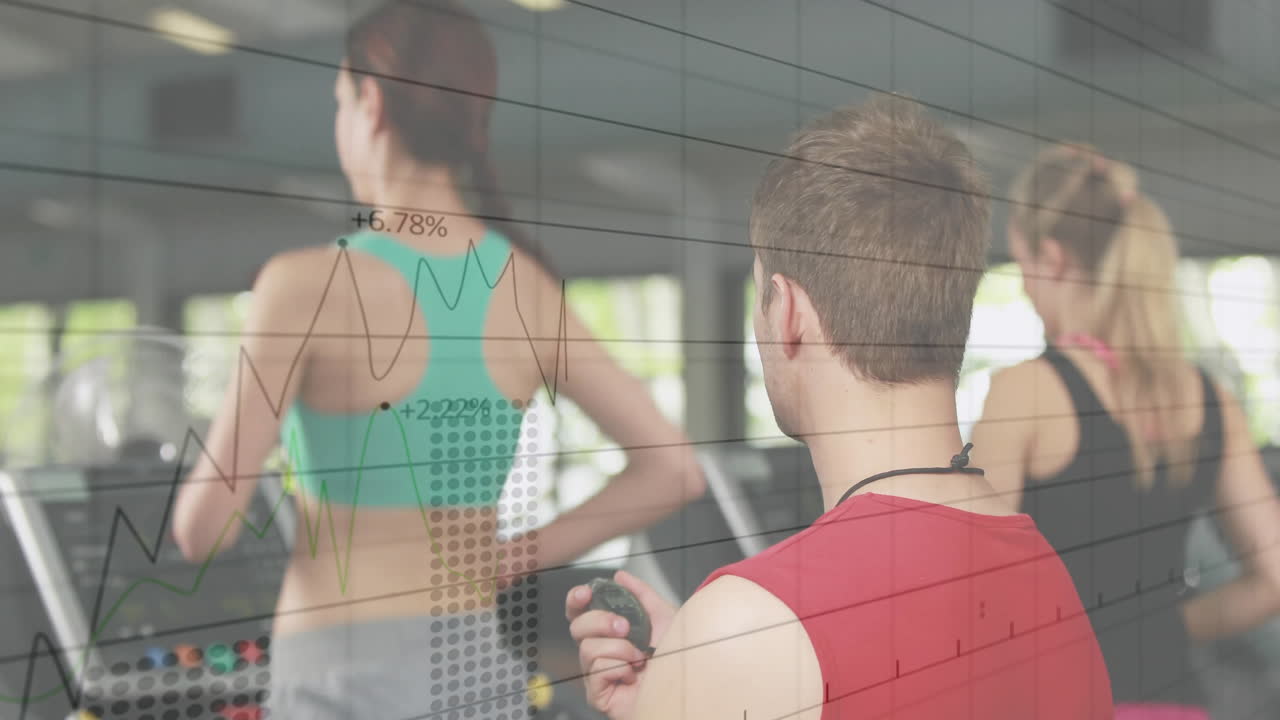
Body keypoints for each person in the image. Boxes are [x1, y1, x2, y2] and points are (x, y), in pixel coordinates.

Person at [171, 2, 703, 719]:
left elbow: (202, 532)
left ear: (370, 101)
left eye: (339, 102)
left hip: (340, 680)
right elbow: (674, 469)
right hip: (476, 674)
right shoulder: (526, 287)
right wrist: (513, 555)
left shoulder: (302, 286)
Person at [566, 97, 1113, 720]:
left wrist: (695, 675)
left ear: (787, 311)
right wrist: (692, 675)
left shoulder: (750, 623)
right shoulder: (1050, 581)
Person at [971, 143, 1280, 717]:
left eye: (1023, 265)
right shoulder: (1209, 398)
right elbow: (1274, 579)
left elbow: (972, 590)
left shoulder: (1026, 391)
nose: (1025, 287)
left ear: (1055, 257)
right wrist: (1155, 630)